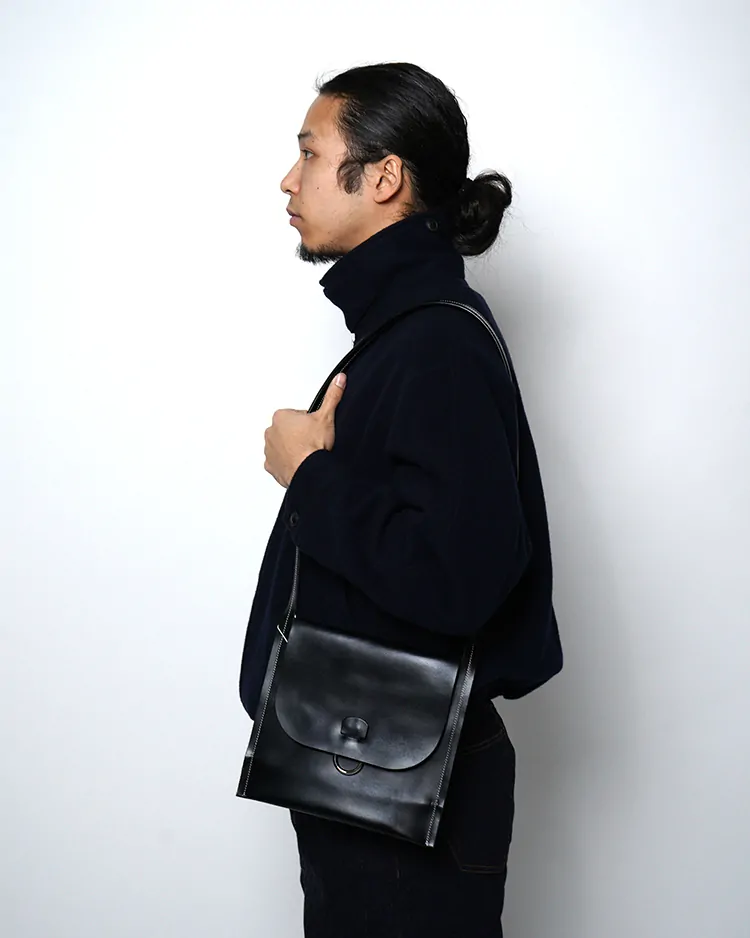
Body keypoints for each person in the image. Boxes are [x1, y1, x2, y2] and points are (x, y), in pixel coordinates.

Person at [237, 62, 562, 937]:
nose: (288, 179)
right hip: (371, 768)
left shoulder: (433, 343)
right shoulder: (402, 331)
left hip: (408, 782)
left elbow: (463, 576)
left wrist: (309, 474)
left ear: (383, 176)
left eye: (310, 153)